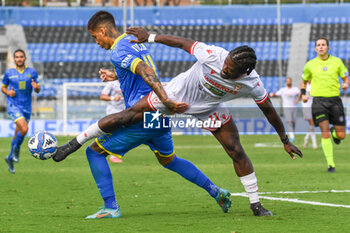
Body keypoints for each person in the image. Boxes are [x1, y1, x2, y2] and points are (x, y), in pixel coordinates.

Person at [54, 26, 303, 217]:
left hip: (203, 107)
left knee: (235, 149)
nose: (223, 69)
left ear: (244, 73)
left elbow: (269, 111)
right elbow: (182, 43)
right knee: (164, 156)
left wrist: (285, 140)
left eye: (229, 70)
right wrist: (150, 37)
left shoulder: (253, 83)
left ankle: (255, 204)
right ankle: (74, 143)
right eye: (225, 64)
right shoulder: (214, 55)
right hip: (175, 95)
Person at [54, 11, 232, 219]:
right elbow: (138, 71)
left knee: (94, 152)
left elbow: (145, 69)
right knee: (169, 160)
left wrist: (165, 98)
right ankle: (216, 192)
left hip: (144, 115)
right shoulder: (134, 42)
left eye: (95, 36)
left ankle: (110, 208)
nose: (96, 41)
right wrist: (116, 75)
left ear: (103, 31)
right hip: (158, 116)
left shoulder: (117, 50)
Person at [301, 37, 349, 173]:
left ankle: (336, 134)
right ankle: (331, 164)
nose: (321, 47)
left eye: (323, 45)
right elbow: (304, 81)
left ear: (328, 47)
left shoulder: (337, 62)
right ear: (315, 48)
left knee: (341, 135)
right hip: (319, 102)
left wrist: (346, 84)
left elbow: (345, 78)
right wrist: (303, 94)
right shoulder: (310, 65)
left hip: (335, 101)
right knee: (324, 131)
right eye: (318, 45)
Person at [2, 49, 40, 174]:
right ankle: (17, 149)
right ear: (14, 59)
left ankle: (10, 158)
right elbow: (3, 87)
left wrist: (37, 87)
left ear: (24, 58)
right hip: (13, 105)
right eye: (17, 57)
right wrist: (8, 92)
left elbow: (38, 88)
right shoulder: (9, 73)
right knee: (24, 129)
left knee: (18, 133)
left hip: (26, 107)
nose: (19, 59)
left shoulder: (32, 72)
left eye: (21, 57)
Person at [99, 79, 124, 163]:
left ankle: (101, 148)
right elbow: (102, 96)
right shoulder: (111, 84)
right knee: (114, 132)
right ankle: (112, 155)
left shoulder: (127, 81)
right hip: (112, 111)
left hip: (124, 111)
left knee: (119, 133)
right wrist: (113, 98)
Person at [270, 77, 299, 143]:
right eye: (287, 81)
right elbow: (276, 94)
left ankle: (292, 134)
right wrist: (272, 94)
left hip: (294, 107)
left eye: (289, 81)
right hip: (286, 108)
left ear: (291, 82)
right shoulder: (283, 90)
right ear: (286, 82)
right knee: (289, 122)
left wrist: (298, 100)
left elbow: (300, 94)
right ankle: (292, 137)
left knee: (293, 122)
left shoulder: (295, 89)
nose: (288, 82)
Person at [297, 81, 317, 149]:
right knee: (312, 123)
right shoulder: (304, 85)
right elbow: (300, 94)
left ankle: (306, 138)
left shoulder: (315, 84)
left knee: (311, 124)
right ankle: (314, 143)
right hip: (306, 106)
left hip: (313, 106)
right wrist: (298, 99)